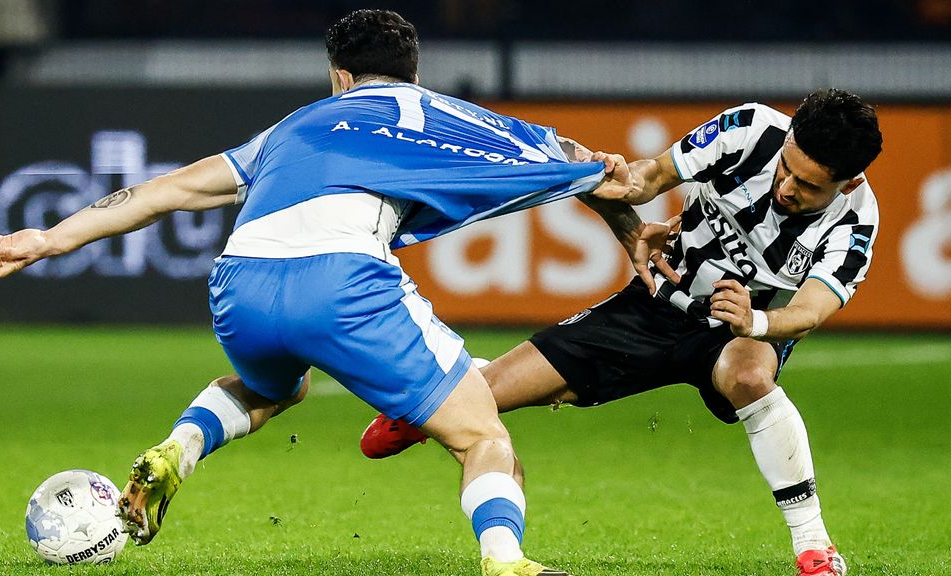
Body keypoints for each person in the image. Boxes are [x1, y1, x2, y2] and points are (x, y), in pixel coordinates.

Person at [0, 9, 648, 576]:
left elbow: (163, 192)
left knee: (273, 388)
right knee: (481, 437)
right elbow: (581, 164)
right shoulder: (437, 112)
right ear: (415, 74)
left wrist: (49, 239)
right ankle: (505, 561)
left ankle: (180, 447)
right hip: (342, 282)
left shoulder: (292, 127)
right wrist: (630, 231)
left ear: (339, 77)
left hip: (239, 283)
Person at [360, 88, 883, 576]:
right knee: (493, 393)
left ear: (848, 182)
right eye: (787, 169)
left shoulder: (856, 220)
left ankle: (814, 544)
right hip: (659, 301)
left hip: (743, 330)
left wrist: (757, 322)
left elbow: (810, 309)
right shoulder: (749, 129)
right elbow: (651, 176)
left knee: (748, 375)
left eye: (808, 186)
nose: (786, 188)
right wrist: (620, 182)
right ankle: (437, 401)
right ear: (788, 138)